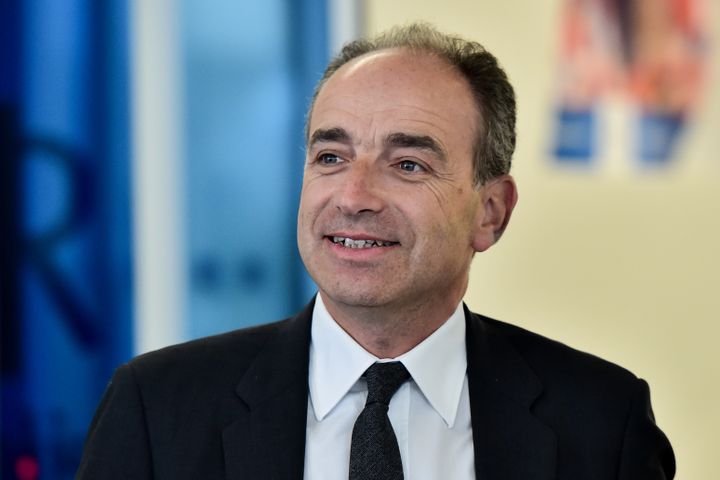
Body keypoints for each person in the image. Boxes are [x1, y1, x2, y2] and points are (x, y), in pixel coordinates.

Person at [77, 23, 675, 479]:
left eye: (408, 164)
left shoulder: (601, 421)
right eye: (330, 158)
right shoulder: (156, 409)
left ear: (490, 212)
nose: (354, 196)